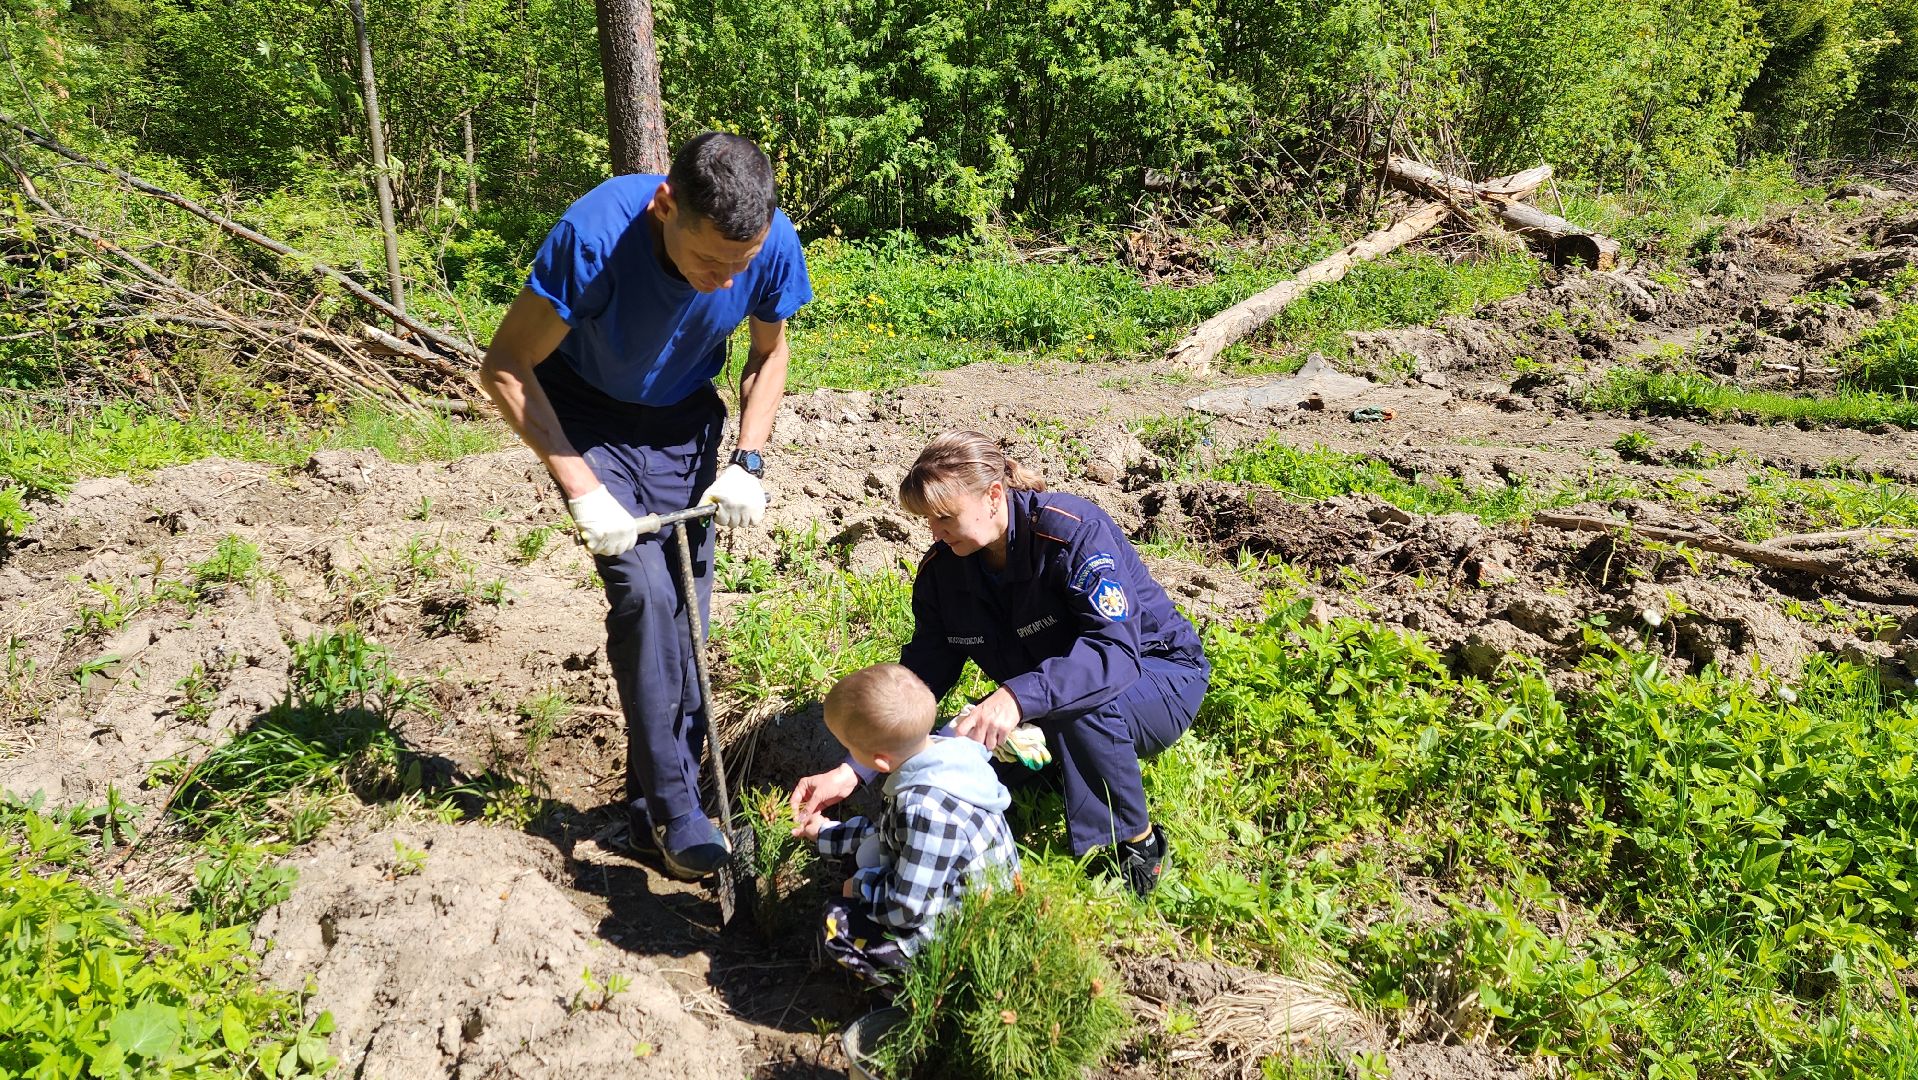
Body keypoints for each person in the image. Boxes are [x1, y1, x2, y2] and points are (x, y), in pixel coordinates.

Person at [480, 133, 812, 880]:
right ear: (667, 206)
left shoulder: (771, 240)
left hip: (683, 421)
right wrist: (583, 489)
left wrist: (749, 462)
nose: (728, 285)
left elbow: (768, 351)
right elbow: (504, 366)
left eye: (743, 265)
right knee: (641, 596)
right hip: (587, 416)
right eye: (709, 264)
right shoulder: (596, 236)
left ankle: (653, 809)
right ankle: (674, 810)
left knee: (687, 611)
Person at [792, 432, 1209, 896]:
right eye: (928, 521)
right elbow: (921, 680)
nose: (934, 533)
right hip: (1042, 701)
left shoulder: (1071, 534)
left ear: (993, 497)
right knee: (958, 754)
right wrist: (855, 768)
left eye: (944, 517)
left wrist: (1015, 697)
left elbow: (1113, 652)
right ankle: (911, 850)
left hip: (1156, 676)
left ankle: (1130, 853)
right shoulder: (946, 572)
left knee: (1080, 703)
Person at [794, 663, 1019, 982]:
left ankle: (921, 994)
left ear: (880, 761)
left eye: (850, 749)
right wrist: (822, 833)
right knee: (868, 873)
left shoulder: (924, 808)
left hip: (968, 940)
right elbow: (887, 836)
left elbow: (905, 910)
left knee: (837, 925)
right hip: (951, 896)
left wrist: (858, 888)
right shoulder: (942, 761)